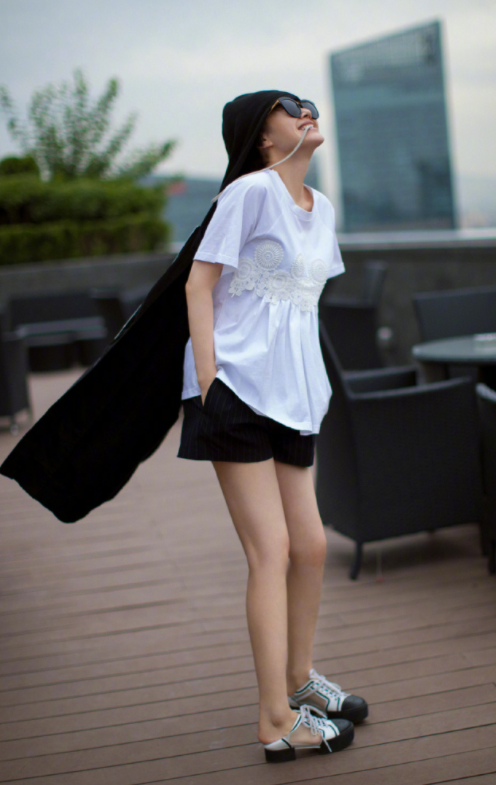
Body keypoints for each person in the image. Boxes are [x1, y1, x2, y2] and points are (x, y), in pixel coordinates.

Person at [177, 92, 368, 764]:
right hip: (237, 387)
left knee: (310, 545)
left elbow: (302, 307)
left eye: (309, 103)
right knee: (272, 550)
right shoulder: (249, 192)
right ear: (262, 137)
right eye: (291, 107)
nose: (307, 111)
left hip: (293, 393)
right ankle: (274, 717)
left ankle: (299, 676)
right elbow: (198, 284)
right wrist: (209, 380)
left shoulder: (324, 209)